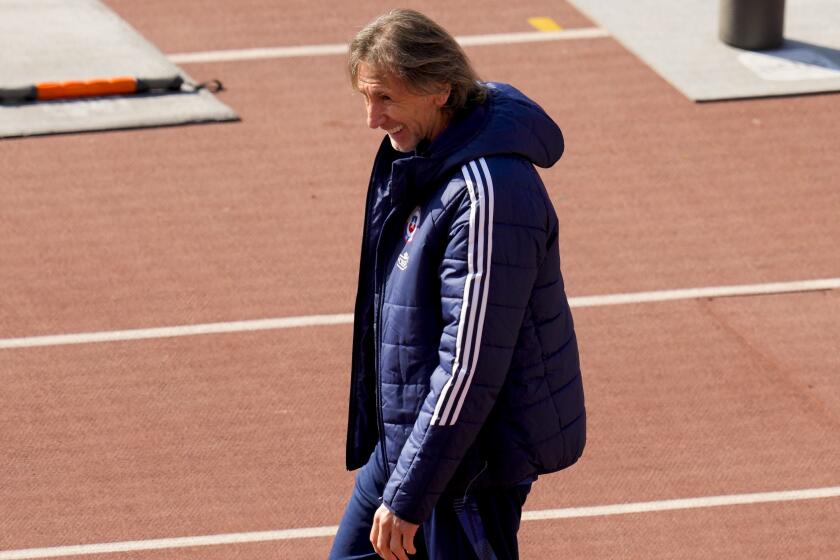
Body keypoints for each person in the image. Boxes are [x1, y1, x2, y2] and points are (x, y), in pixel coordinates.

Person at [330, 9, 586, 560]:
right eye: (366, 98)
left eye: (386, 99)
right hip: (409, 448)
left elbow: (470, 361)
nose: (372, 119)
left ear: (440, 91)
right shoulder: (424, 158)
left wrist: (410, 495)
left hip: (467, 469)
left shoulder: (488, 194)